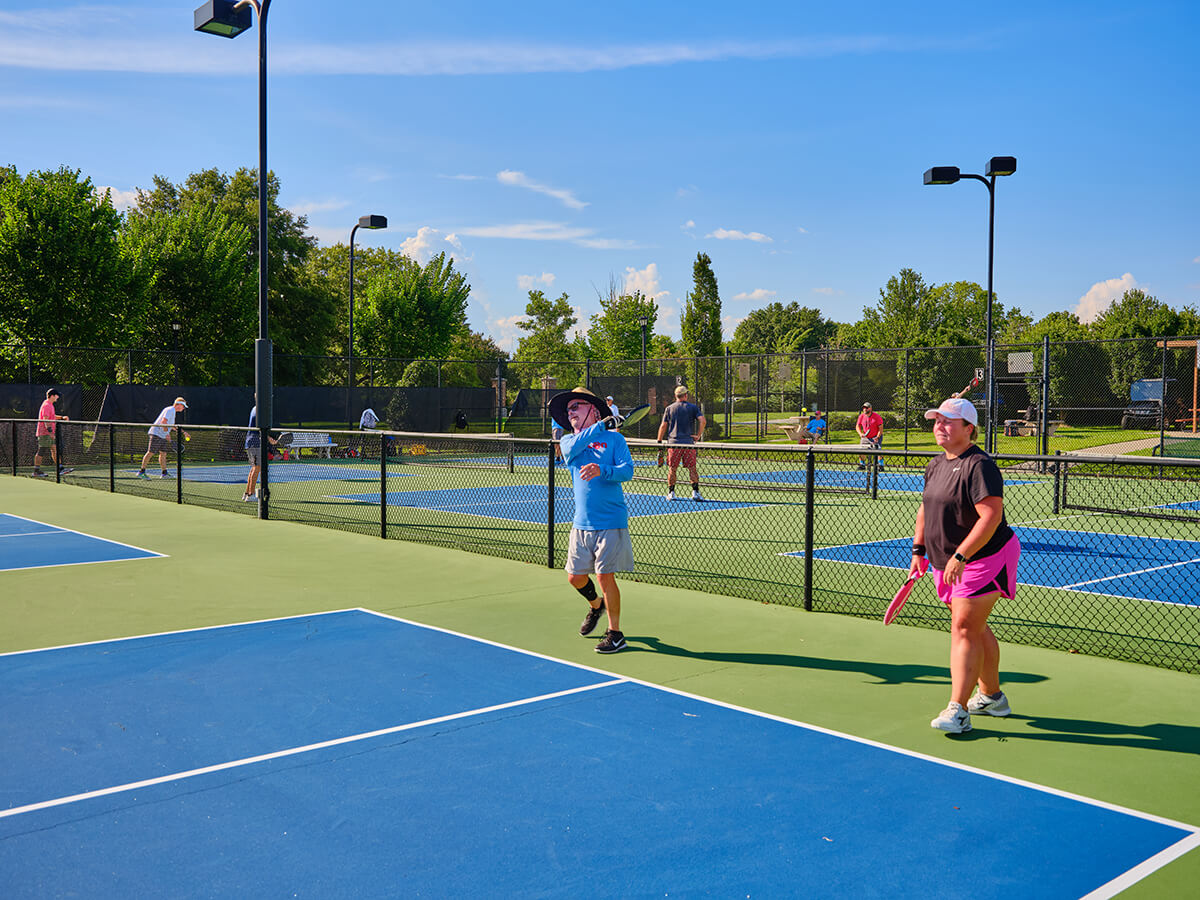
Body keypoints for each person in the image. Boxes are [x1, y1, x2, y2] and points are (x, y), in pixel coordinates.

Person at [911, 397, 1021, 734]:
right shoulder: (936, 464)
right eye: (937, 421)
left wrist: (961, 556)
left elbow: (991, 516)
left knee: (962, 627)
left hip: (984, 557)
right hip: (944, 559)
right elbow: (926, 509)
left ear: (969, 428)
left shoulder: (979, 465)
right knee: (972, 627)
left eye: (948, 422)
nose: (940, 427)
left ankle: (957, 710)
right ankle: (991, 697)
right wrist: (919, 549)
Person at [548, 387, 635, 653]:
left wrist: (603, 469)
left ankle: (616, 633)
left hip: (610, 520)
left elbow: (627, 471)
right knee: (574, 577)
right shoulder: (568, 442)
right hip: (581, 523)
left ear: (594, 410)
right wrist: (600, 426)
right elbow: (573, 447)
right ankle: (597, 605)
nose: (570, 412)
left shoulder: (615, 441)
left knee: (604, 575)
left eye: (577, 406)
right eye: (569, 409)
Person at [656, 385, 706, 501]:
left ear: (675, 396)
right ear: (686, 395)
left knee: (672, 469)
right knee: (692, 468)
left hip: (673, 444)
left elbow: (663, 426)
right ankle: (695, 492)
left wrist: (659, 442)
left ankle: (671, 493)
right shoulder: (693, 408)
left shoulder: (669, 408)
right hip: (688, 444)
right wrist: (698, 435)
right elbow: (703, 421)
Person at [137, 397, 190, 478]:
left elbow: (172, 426)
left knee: (163, 453)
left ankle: (164, 473)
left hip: (162, 435)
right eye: (183, 406)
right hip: (156, 434)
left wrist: (183, 432)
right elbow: (163, 422)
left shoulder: (172, 412)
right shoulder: (170, 410)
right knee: (150, 452)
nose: (183, 409)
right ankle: (141, 472)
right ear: (178, 405)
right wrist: (166, 433)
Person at [243, 401, 277, 502]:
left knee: (254, 468)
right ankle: (251, 494)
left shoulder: (254, 408)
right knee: (257, 468)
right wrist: (269, 439)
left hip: (250, 441)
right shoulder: (259, 410)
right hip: (254, 442)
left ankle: (247, 493)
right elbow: (260, 429)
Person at [33, 388, 70, 477]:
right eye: (57, 396)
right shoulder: (46, 405)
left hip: (47, 433)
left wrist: (62, 417)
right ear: (52, 396)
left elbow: (52, 416)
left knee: (54, 449)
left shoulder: (50, 405)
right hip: (44, 433)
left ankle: (60, 468)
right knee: (41, 451)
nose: (58, 397)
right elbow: (46, 419)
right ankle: (36, 471)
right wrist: (50, 432)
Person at [856, 401, 884, 470]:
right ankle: (862, 464)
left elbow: (881, 428)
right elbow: (857, 426)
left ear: (870, 408)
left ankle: (881, 465)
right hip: (865, 437)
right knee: (861, 450)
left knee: (878, 451)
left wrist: (877, 437)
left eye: (867, 408)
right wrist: (860, 433)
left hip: (876, 437)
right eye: (864, 408)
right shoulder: (861, 416)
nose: (865, 409)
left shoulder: (877, 417)